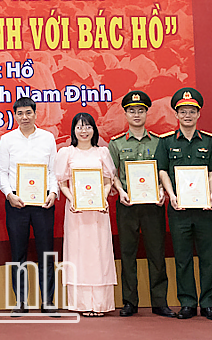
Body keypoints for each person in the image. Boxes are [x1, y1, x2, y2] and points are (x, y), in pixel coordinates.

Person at [108, 92, 175, 318]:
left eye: (140, 110)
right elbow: (112, 173)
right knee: (127, 253)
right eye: (131, 110)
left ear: (147, 112)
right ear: (125, 113)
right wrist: (121, 191)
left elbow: (163, 171)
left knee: (156, 253)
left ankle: (159, 301)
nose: (136, 114)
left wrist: (161, 191)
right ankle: (130, 301)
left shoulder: (159, 141)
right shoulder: (116, 144)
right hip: (127, 203)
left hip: (153, 204)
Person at [156, 87, 212, 320]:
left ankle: (209, 303)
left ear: (198, 114)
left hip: (205, 209)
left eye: (192, 111)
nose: (187, 115)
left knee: (207, 257)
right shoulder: (166, 142)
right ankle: (188, 303)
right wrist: (171, 195)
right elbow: (162, 171)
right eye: (183, 111)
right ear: (176, 114)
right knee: (182, 258)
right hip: (179, 209)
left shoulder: (211, 141)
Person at [0, 97, 59, 314]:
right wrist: (9, 194)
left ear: (35, 114)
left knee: (46, 254)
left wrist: (53, 193)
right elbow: (2, 173)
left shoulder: (48, 138)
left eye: (28, 113)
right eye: (20, 113)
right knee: (18, 253)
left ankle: (48, 301)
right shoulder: (7, 140)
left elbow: (53, 171)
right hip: (17, 205)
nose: (24, 117)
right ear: (15, 115)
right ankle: (20, 302)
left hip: (43, 204)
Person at [56, 112, 116, 317]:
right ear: (73, 130)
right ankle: (80, 304)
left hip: (99, 211)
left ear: (94, 129)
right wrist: (73, 199)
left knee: (100, 255)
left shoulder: (102, 153)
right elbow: (62, 183)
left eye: (88, 126)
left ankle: (100, 304)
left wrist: (103, 198)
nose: (84, 131)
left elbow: (108, 180)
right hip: (76, 212)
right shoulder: (67, 153)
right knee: (79, 253)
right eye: (79, 127)